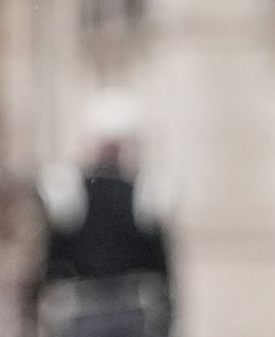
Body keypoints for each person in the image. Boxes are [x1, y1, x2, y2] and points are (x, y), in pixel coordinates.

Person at [27, 91, 175, 337]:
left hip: (102, 315)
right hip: (112, 315)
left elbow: (46, 266)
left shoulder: (67, 191)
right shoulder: (145, 192)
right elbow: (163, 271)